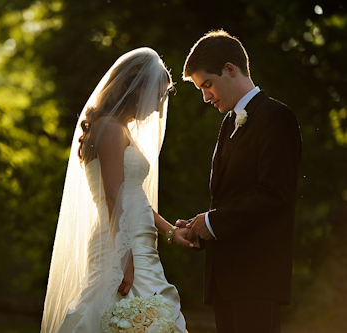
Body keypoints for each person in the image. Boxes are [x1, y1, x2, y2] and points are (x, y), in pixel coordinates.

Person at [41, 48, 189, 333]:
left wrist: (170, 230)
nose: (158, 107)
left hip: (137, 239)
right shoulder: (109, 129)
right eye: (158, 96)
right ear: (138, 89)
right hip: (122, 241)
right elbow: (113, 196)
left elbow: (134, 196)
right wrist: (125, 257)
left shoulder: (119, 128)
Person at [178, 30, 302, 333]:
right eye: (200, 89)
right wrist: (200, 227)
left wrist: (212, 222)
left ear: (230, 69)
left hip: (258, 279)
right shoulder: (228, 124)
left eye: (207, 84)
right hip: (227, 280)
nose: (206, 96)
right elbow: (228, 200)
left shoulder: (276, 116)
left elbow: (274, 196)